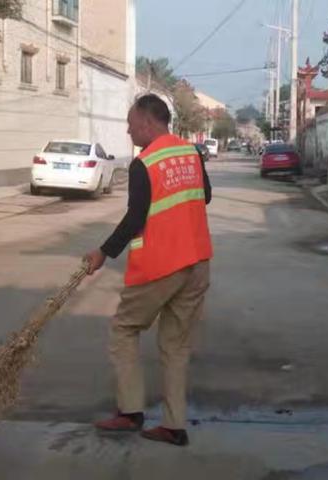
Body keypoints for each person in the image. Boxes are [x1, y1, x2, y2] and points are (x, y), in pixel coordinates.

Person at [84, 94, 213, 446]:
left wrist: (103, 253)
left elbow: (135, 219)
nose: (128, 130)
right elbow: (206, 196)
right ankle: (174, 425)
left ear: (146, 121)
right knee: (176, 345)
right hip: (198, 262)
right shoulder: (191, 153)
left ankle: (130, 413)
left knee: (125, 329)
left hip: (162, 264)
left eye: (130, 124)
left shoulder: (145, 163)